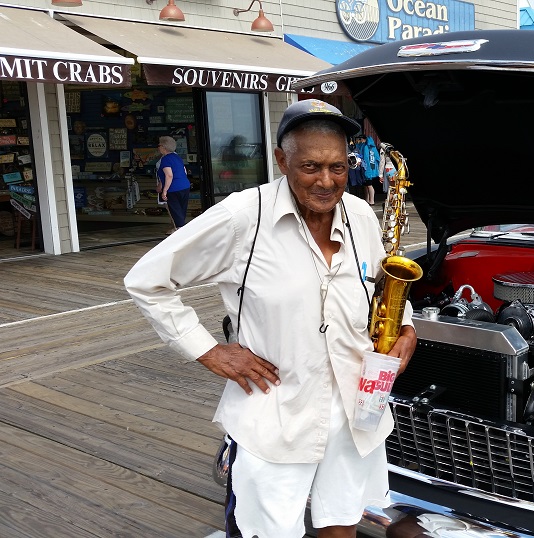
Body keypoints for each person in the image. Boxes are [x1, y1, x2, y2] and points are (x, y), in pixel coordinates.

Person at [125, 99, 418, 538]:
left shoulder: (359, 213)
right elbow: (147, 280)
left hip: (356, 412)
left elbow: (384, 284)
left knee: (342, 523)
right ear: (282, 160)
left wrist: (407, 327)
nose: (326, 181)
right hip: (276, 414)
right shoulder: (243, 216)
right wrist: (207, 350)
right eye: (310, 166)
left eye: (338, 168)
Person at [156, 135, 191, 234]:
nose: (158, 148)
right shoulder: (177, 157)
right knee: (181, 210)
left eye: (159, 146)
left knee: (175, 211)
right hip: (185, 186)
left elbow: (169, 175)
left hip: (173, 189)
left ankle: (180, 233)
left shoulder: (166, 159)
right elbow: (184, 171)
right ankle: (181, 229)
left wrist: (165, 191)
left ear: (163, 147)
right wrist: (160, 186)